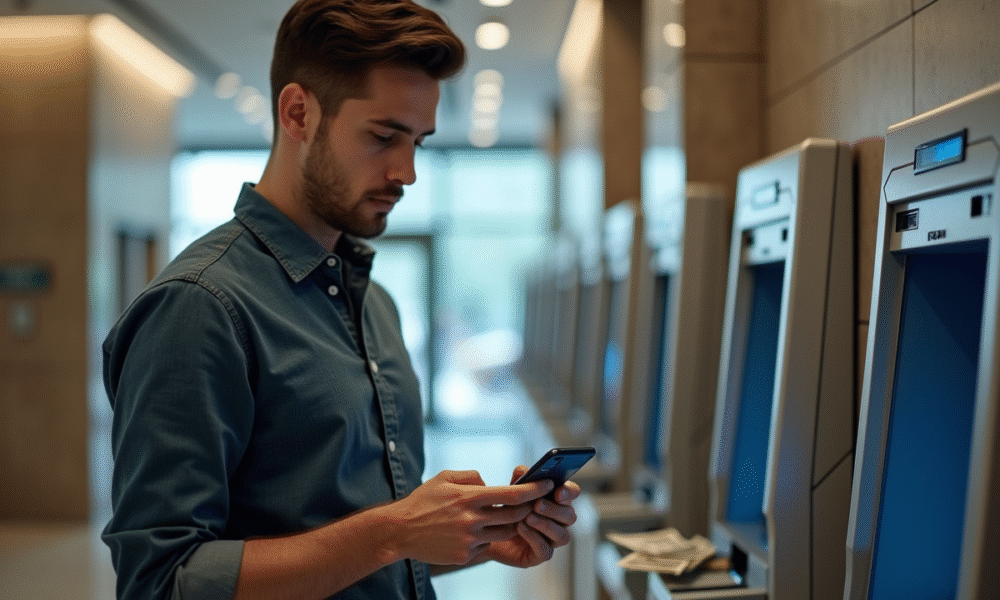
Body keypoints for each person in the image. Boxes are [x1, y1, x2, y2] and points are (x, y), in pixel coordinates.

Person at [101, 1, 581, 599]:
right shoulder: (199, 307)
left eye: (419, 142)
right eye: (384, 137)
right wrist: (394, 533)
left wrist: (477, 539)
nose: (406, 172)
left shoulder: (374, 303)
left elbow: (355, 554)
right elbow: (159, 582)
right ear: (298, 113)